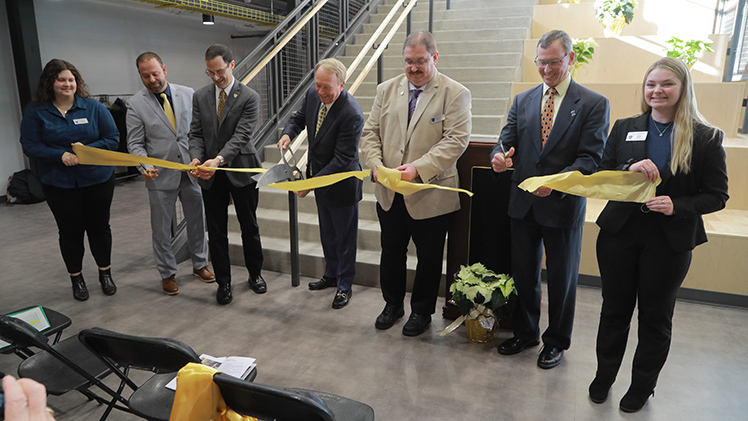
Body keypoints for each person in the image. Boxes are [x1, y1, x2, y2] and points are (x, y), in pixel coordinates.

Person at [589, 57, 728, 412]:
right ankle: (604, 376)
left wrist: (678, 205)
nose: (657, 91)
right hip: (620, 234)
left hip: (669, 241)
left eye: (667, 84)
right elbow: (602, 175)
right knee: (614, 311)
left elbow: (717, 195)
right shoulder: (625, 127)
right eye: (651, 84)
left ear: (683, 89)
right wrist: (627, 168)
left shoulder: (706, 137)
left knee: (655, 317)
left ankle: (642, 385)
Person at [490, 29, 609, 368]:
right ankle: (526, 333)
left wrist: (555, 184)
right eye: (540, 63)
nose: (545, 70)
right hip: (523, 203)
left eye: (553, 63)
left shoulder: (592, 104)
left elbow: (591, 158)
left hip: (562, 205)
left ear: (570, 59)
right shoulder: (523, 100)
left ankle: (556, 341)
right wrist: (499, 157)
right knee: (524, 275)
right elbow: (505, 140)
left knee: (562, 279)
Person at [360, 30, 472, 336]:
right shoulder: (386, 89)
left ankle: (422, 311)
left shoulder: (455, 93)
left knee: (429, 256)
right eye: (408, 62)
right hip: (390, 191)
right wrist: (375, 165)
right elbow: (370, 133)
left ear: (434, 58)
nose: (413, 68)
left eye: (420, 61)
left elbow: (456, 141)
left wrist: (419, 170)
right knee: (391, 251)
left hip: (431, 192)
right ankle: (392, 304)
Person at [19, 59, 120, 302]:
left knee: (100, 229)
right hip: (59, 184)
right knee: (70, 232)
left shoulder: (94, 108)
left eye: (71, 80)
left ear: (77, 82)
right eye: (62, 80)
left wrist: (86, 150)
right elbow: (30, 145)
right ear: (50, 83)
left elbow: (113, 138)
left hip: (98, 180)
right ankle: (77, 278)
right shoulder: (36, 112)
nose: (67, 84)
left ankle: (105, 274)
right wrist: (59, 155)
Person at [277, 58, 364, 309]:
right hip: (320, 178)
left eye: (327, 87)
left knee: (345, 239)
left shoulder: (351, 114)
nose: (321, 92)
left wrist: (311, 183)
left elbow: (342, 160)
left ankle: (344, 286)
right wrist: (287, 134)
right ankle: (331, 274)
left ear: (342, 84)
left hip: (341, 183)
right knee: (328, 234)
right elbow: (299, 117)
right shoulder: (314, 94)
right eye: (318, 86)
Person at [126, 52, 214, 295]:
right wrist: (143, 167)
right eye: (146, 76)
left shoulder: (188, 93)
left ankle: (200, 264)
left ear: (164, 69)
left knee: (197, 221)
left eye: (155, 73)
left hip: (191, 171)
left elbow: (198, 131)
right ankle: (167, 273)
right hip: (159, 176)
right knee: (162, 228)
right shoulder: (135, 104)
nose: (152, 79)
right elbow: (134, 144)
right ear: (140, 76)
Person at [189, 44, 266, 305]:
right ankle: (224, 283)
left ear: (232, 65)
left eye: (219, 71)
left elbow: (242, 136)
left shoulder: (249, 97)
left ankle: (255, 274)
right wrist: (197, 158)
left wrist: (218, 160)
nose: (215, 77)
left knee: (249, 226)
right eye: (210, 73)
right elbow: (196, 133)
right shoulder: (200, 97)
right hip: (210, 175)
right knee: (217, 231)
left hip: (240, 169)